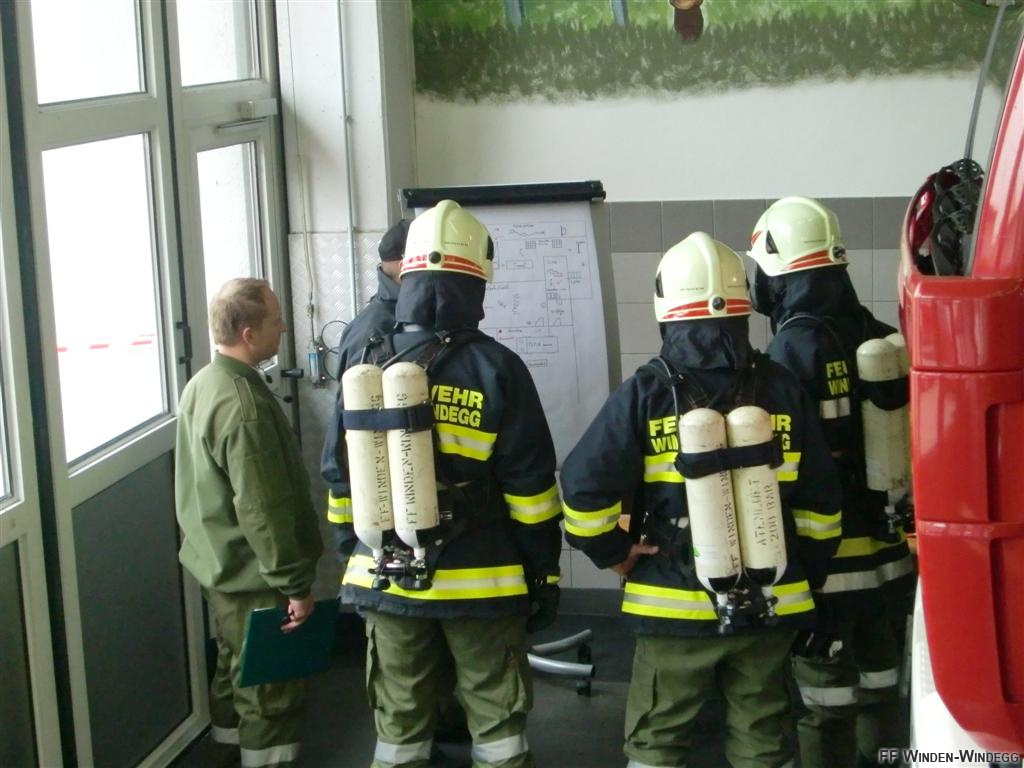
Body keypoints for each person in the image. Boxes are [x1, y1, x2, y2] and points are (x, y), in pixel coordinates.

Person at [560, 232, 843, 768]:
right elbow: (822, 502)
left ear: (666, 307)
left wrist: (612, 551)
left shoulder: (645, 393)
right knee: (764, 742)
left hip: (673, 606)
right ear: (742, 306)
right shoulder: (783, 387)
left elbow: (583, 484)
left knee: (659, 743)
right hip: (772, 603)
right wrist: (807, 571)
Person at [326, 200, 562, 768]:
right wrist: (542, 574)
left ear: (405, 276)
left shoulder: (367, 363)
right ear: (476, 283)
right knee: (497, 727)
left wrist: (356, 550)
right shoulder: (498, 368)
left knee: (399, 726)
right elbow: (531, 489)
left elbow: (339, 473)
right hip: (483, 581)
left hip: (385, 575)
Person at [746, 197, 916, 768]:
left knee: (824, 697)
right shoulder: (881, 335)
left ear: (777, 273)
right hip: (889, 556)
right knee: (883, 684)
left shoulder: (791, 347)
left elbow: (785, 464)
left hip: (826, 561)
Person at [322, 219, 471, 743]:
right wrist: (353, 546)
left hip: (418, 538)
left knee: (416, 683)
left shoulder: (394, 322)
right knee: (412, 677)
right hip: (398, 538)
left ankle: (438, 725)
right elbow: (345, 454)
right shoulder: (375, 332)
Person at [175, 277, 323, 768]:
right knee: (268, 689)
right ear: (247, 333)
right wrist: (294, 585)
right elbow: (264, 509)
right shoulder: (244, 408)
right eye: (276, 321)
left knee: (234, 666)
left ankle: (226, 750)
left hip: (218, 565)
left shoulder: (203, 384)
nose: (283, 328)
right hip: (256, 576)